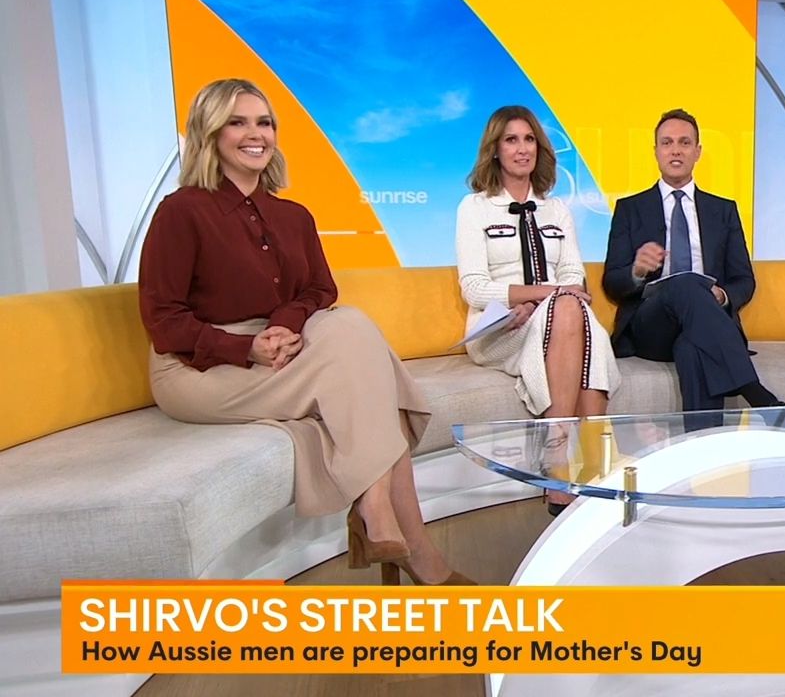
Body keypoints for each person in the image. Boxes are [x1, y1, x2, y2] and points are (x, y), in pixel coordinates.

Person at [138, 78, 471, 586]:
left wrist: (283, 324)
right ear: (210, 133)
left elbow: (320, 288)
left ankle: (382, 517)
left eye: (264, 122)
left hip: (278, 348)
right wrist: (246, 346)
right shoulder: (181, 211)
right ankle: (406, 542)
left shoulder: (292, 216)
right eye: (237, 122)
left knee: (350, 327)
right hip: (197, 367)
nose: (256, 134)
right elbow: (164, 321)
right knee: (368, 374)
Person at [455, 105, 620, 515]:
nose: (522, 148)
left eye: (529, 139)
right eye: (511, 140)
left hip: (557, 317)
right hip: (502, 325)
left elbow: (573, 274)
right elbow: (474, 288)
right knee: (571, 310)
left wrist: (552, 298)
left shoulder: (556, 209)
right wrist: (534, 296)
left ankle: (574, 462)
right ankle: (579, 462)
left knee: (572, 312)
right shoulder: (474, 208)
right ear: (495, 150)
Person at [603, 108, 785, 414]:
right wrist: (637, 270)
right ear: (656, 151)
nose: (676, 150)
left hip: (704, 321)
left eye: (684, 143)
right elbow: (612, 282)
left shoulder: (723, 210)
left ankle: (703, 441)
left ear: (697, 152)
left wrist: (721, 295)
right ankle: (757, 394)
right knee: (685, 283)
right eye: (667, 143)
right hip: (652, 326)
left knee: (693, 350)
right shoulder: (630, 208)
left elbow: (744, 279)